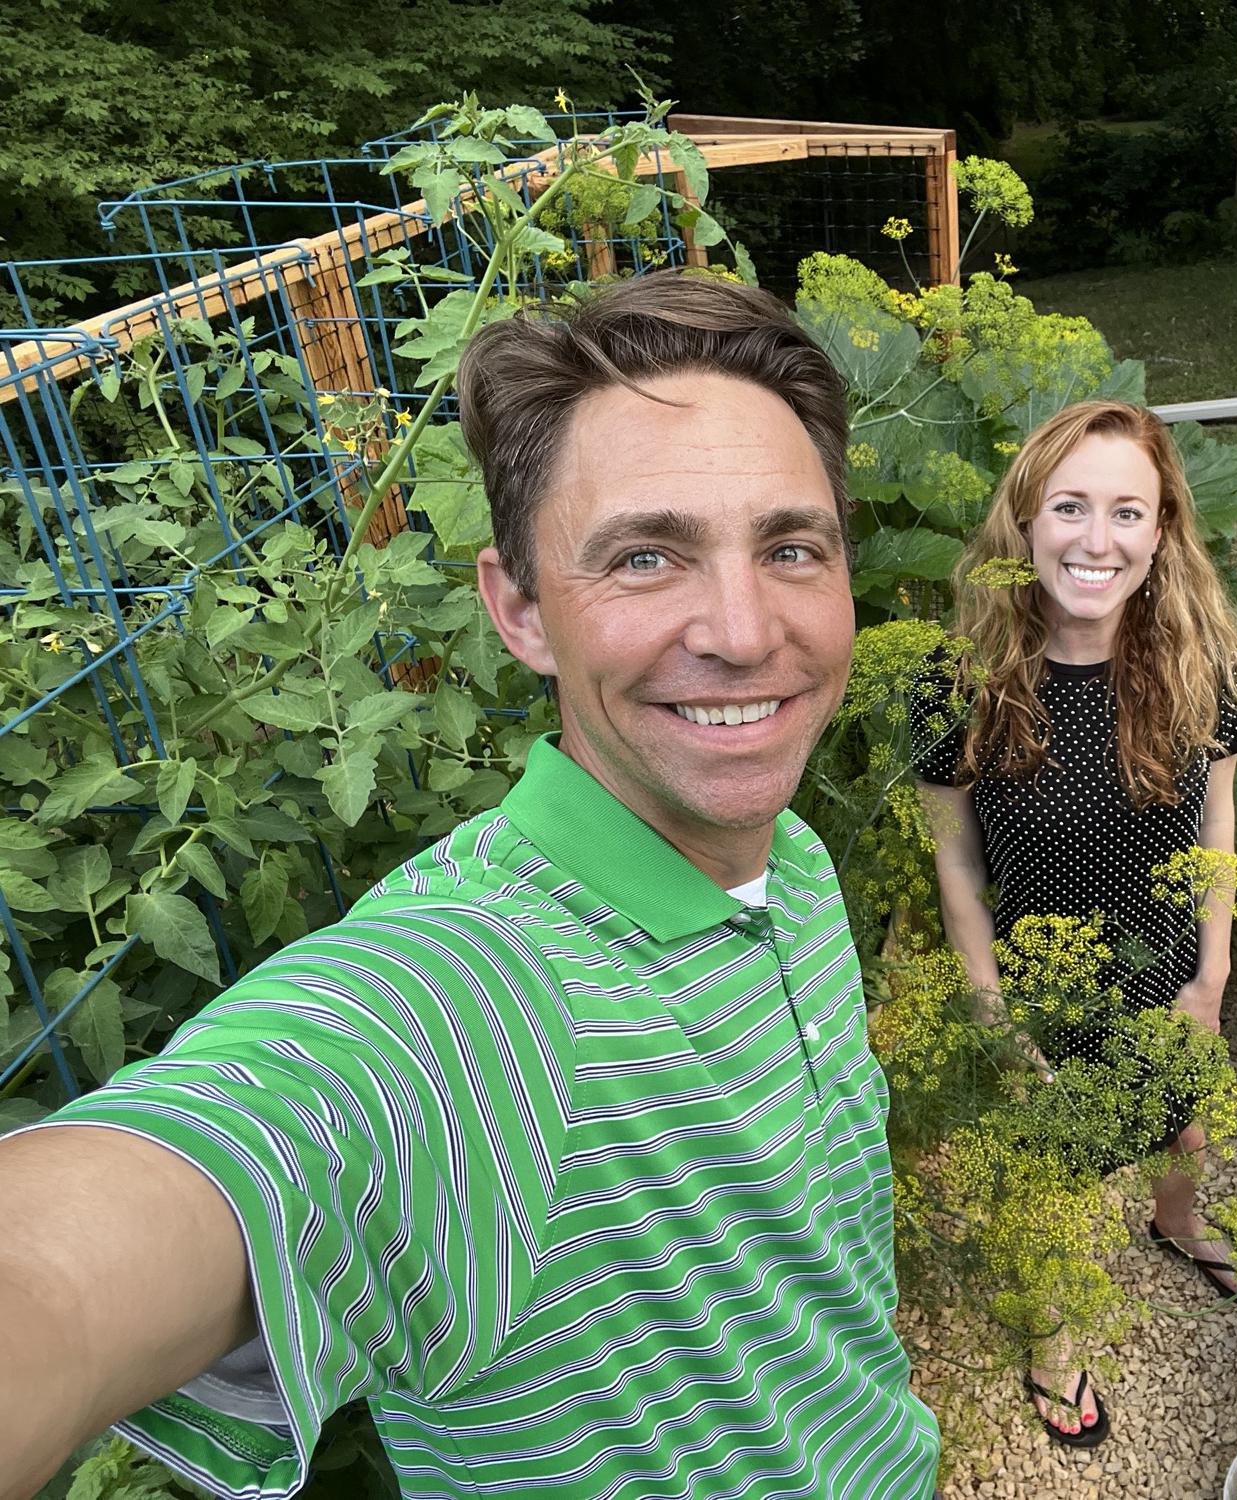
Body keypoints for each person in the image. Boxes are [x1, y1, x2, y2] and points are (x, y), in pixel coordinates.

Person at [0, 272, 941, 1500]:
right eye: (645, 557)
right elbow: (88, 1252)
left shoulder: (794, 864)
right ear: (521, 611)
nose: (746, 630)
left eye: (790, 548)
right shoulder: (482, 990)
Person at [913, 399, 1237, 1449]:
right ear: (1024, 522)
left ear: (1161, 534)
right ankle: (1051, 1340)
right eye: (1069, 507)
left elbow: (1217, 820)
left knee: (1187, 1123)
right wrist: (989, 1009)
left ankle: (1176, 1221)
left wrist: (1209, 977)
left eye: (1126, 512)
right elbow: (956, 862)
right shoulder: (957, 686)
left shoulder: (1199, 665)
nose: (1095, 540)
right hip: (1041, 996)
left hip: (1166, 975)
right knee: (1047, 1181)